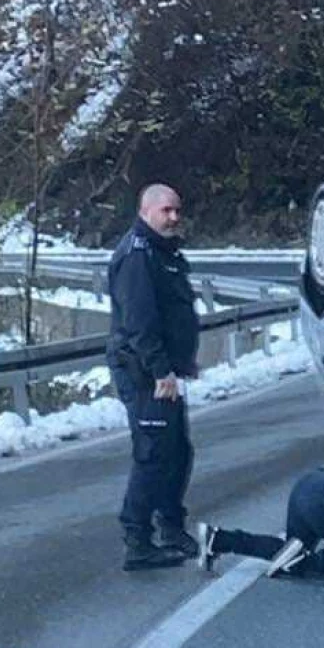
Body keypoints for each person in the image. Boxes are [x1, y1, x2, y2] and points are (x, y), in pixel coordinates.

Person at [108, 183, 200, 571]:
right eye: (166, 210)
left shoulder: (164, 253)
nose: (174, 217)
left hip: (162, 372)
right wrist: (161, 370)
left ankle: (170, 527)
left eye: (177, 210)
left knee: (177, 452)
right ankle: (138, 539)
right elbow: (139, 322)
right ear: (145, 211)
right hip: (144, 372)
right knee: (153, 455)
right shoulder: (137, 257)